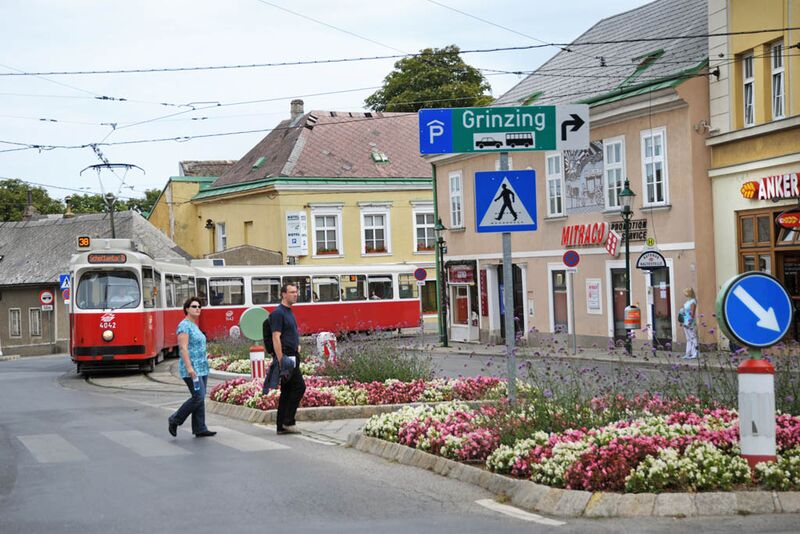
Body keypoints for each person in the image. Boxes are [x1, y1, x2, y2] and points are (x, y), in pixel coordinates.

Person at [168, 297, 216, 438]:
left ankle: (200, 428)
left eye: (199, 306)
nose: (197, 308)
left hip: (201, 367)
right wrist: (189, 368)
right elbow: (183, 348)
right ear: (187, 309)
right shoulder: (184, 326)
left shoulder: (194, 325)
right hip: (192, 369)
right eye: (194, 306)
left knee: (200, 398)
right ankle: (175, 419)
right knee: (198, 396)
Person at [271, 283, 306, 435]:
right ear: (284, 294)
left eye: (296, 292)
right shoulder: (279, 313)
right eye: (292, 292)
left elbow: (289, 333)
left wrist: (297, 345)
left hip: (292, 354)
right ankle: (288, 421)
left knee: (287, 390)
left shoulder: (289, 312)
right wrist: (281, 359)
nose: (295, 294)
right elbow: (276, 337)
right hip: (286, 357)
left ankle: (281, 425)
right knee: (299, 386)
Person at [681, 287, 698, 360]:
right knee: (688, 338)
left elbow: (692, 313)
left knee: (693, 337)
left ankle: (695, 353)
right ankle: (688, 353)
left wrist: (689, 322)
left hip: (690, 322)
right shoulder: (687, 301)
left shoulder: (693, 301)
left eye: (685, 292)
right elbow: (684, 312)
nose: (684, 294)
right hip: (685, 321)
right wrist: (682, 320)